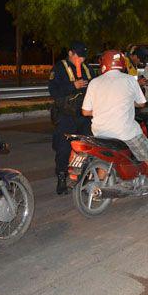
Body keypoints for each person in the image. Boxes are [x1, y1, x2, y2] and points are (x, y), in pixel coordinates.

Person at [81, 50, 148, 212]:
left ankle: (102, 188)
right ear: (121, 64)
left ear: (103, 64)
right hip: (124, 131)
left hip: (100, 131)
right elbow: (141, 103)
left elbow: (85, 112)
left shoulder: (94, 82)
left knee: (105, 156)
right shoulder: (129, 80)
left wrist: (104, 110)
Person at [49, 41, 93, 195]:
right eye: (78, 56)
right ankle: (62, 178)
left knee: (85, 147)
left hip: (84, 115)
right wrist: (73, 86)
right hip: (66, 115)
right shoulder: (60, 68)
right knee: (64, 148)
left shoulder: (87, 69)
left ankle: (84, 178)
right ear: (70, 53)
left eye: (83, 57)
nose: (80, 60)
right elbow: (53, 91)